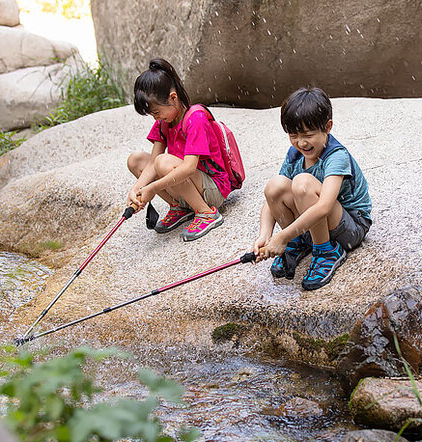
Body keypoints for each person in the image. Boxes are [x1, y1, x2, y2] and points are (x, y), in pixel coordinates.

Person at [252, 87, 372, 290]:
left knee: (303, 184)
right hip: (314, 222)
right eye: (294, 135)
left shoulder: (336, 157)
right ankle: (297, 243)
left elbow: (324, 206)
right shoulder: (295, 154)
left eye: (308, 134)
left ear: (327, 127)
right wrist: (266, 235)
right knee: (275, 185)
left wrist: (282, 236)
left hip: (350, 227)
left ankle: (326, 251)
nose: (301, 142)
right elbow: (271, 200)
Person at [127, 58, 231, 241]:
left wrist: (152, 187)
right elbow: (151, 164)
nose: (155, 119)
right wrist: (137, 189)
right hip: (187, 184)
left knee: (164, 162)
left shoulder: (195, 119)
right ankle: (180, 207)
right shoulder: (164, 122)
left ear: (173, 98)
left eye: (157, 113)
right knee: (136, 159)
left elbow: (189, 168)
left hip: (212, 189)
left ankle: (206, 213)